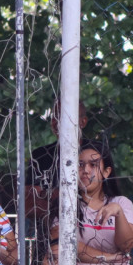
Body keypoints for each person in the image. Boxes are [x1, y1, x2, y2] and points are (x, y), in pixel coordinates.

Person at [26, 98, 88, 230]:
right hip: (48, 234)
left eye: (67, 116)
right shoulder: (40, 155)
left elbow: (103, 199)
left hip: (92, 233)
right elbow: (30, 206)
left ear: (83, 121)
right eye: (55, 116)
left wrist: (48, 194)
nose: (58, 121)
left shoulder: (95, 152)